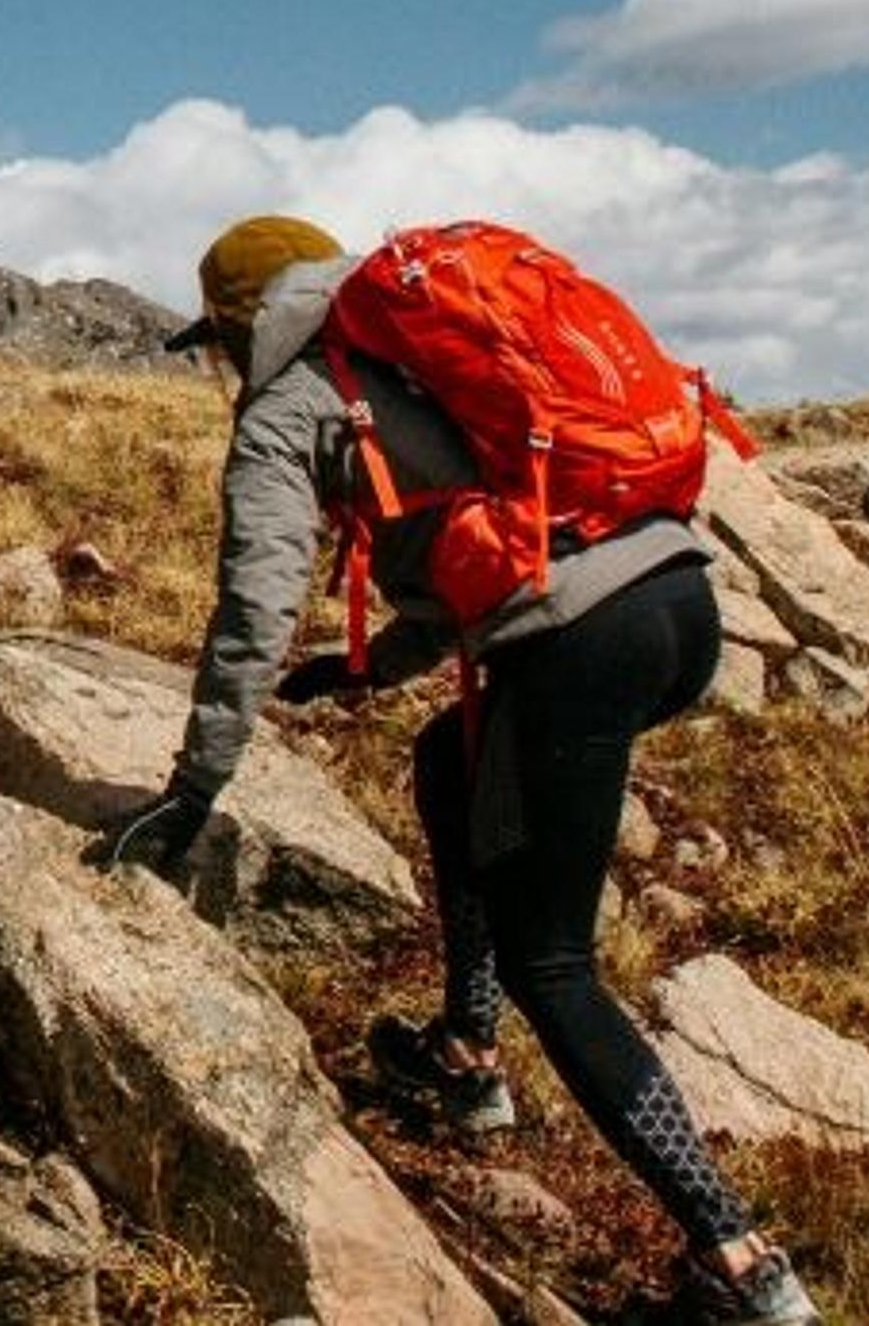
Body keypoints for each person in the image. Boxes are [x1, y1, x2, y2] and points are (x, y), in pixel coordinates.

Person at [112, 215, 820, 1326]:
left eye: (217, 341)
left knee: (560, 965)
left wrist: (194, 784)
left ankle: (739, 1264)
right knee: (453, 756)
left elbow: (253, 604)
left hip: (580, 640)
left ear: (240, 322)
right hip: (676, 601)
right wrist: (361, 668)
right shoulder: (405, 351)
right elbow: (482, 547)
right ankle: (464, 1049)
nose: (219, 363)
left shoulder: (287, 405)